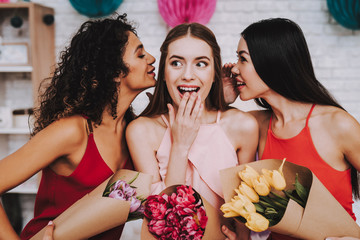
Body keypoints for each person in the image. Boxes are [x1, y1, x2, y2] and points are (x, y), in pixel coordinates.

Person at [0, 13, 156, 240]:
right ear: (113, 72)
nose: (151, 58)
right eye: (140, 54)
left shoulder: (136, 132)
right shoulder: (73, 131)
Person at [222, 18, 360, 240]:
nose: (234, 68)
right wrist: (222, 98)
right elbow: (202, 130)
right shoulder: (255, 125)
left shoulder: (337, 124)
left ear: (270, 61)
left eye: (242, 59)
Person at [126, 22, 259, 240]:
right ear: (164, 71)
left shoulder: (242, 126)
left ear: (214, 73)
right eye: (176, 63)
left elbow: (245, 209)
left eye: (201, 64)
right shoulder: (141, 131)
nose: (188, 75)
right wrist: (180, 145)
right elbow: (163, 222)